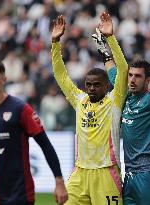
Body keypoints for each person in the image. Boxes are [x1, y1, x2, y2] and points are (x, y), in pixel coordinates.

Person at [92, 28, 150, 205]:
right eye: (131, 75)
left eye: (138, 76)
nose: (132, 80)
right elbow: (113, 73)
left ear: (147, 80)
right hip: (129, 177)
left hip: (149, 176)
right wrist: (104, 50)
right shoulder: (125, 95)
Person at [0, 58, 68, 205]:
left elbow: (45, 145)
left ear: (4, 80)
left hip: (19, 196)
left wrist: (59, 181)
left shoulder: (20, 109)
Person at [51, 12, 128, 205]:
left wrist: (110, 38)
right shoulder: (80, 100)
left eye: (96, 85)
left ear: (106, 86)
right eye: (88, 84)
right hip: (80, 172)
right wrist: (55, 43)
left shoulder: (114, 101)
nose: (91, 88)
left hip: (106, 172)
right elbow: (61, 76)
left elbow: (124, 70)